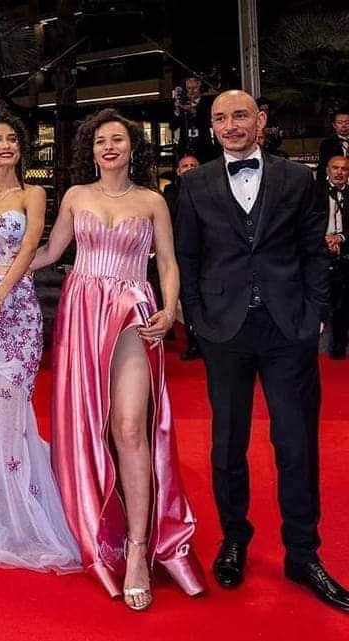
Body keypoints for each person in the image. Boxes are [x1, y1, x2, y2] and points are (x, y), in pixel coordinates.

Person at [176, 90, 348, 611]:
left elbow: (313, 251)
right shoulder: (196, 183)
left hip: (287, 329)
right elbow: (187, 255)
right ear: (212, 127)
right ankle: (235, 537)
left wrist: (314, 313)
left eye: (239, 115)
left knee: (296, 443)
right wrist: (198, 317)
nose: (230, 125)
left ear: (261, 120)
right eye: (220, 118)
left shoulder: (297, 178)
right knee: (227, 443)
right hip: (224, 331)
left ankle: (303, 553)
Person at [32, 108, 205, 610]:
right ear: (91, 150)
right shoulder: (75, 195)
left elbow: (168, 263)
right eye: (100, 141)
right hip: (82, 313)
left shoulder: (152, 201)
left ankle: (137, 548)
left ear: (133, 148)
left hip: (132, 311)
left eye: (118, 140)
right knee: (89, 427)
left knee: (129, 427)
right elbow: (49, 253)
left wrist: (169, 309)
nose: (109, 147)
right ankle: (94, 522)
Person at [0, 112, 81, 573]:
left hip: (15, 304)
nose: (4, 145)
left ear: (20, 148)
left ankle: (22, 511)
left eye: (11, 139)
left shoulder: (33, 193)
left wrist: (0, 294)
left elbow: (29, 249)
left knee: (11, 403)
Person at [163, 153, 201, 360]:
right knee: (188, 298)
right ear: (178, 172)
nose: (189, 169)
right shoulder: (170, 194)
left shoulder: (211, 190)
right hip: (178, 253)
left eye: (193, 165)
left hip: (207, 254)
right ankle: (193, 341)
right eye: (185, 166)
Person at [321, 155, 349, 359]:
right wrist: (325, 241)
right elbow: (305, 221)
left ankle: (339, 345)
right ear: (327, 170)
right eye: (335, 168)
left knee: (343, 302)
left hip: (346, 252)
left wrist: (340, 238)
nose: (339, 172)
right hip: (317, 251)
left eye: (344, 169)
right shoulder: (313, 192)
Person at [170, 76, 217, 162]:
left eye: (194, 88)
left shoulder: (207, 103)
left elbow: (210, 122)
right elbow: (172, 126)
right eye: (189, 88)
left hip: (204, 149)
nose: (191, 91)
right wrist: (177, 110)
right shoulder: (181, 104)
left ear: (200, 87)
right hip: (185, 149)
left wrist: (194, 112)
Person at [316, 106, 349, 184]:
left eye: (347, 123)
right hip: (335, 182)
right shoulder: (326, 144)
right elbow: (322, 168)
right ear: (334, 125)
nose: (344, 126)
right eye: (340, 122)